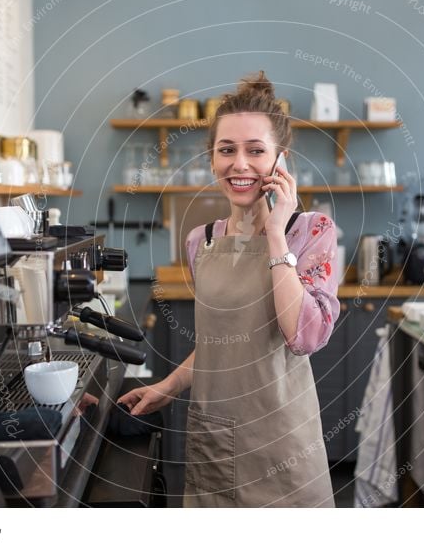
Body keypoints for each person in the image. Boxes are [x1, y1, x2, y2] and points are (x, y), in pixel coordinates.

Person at [118, 71, 341, 507]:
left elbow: (304, 336)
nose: (239, 164)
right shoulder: (200, 240)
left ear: (282, 160)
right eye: (226, 150)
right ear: (212, 159)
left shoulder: (311, 232)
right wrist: (169, 386)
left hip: (283, 444)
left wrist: (275, 233)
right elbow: (222, 345)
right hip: (215, 442)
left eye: (256, 150)